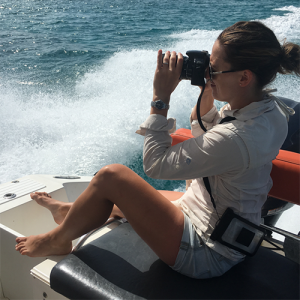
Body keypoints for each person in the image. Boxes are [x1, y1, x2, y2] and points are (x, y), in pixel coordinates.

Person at [16, 21, 300, 279]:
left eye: (214, 69)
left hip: (210, 251)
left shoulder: (238, 137)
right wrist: (210, 84)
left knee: (110, 177)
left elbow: (155, 165)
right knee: (127, 198)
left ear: (244, 78)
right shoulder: (269, 109)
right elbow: (204, 126)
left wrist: (160, 99)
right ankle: (70, 212)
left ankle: (57, 239)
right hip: (223, 223)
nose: (208, 73)